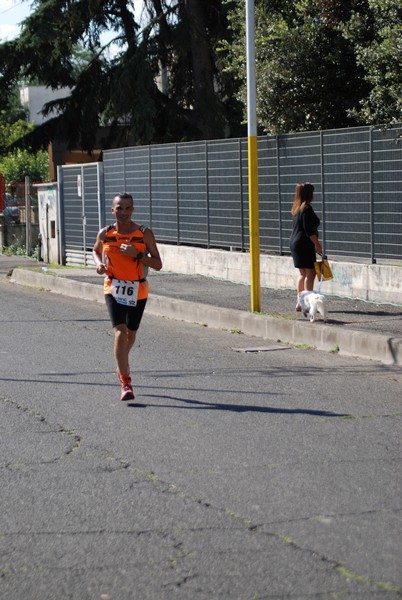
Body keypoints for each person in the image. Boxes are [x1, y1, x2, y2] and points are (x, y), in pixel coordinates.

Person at [92, 192, 162, 401]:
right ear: (112, 210)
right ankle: (126, 381)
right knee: (120, 334)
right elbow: (95, 250)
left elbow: (158, 264)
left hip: (137, 289)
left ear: (133, 210)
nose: (123, 212)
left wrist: (138, 255)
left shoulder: (144, 233)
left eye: (127, 208)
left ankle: (120, 360)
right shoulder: (105, 233)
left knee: (131, 335)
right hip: (112, 287)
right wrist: (99, 264)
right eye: (119, 208)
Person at [289, 182, 322, 311]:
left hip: (295, 243)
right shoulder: (307, 208)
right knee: (311, 273)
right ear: (309, 194)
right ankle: (308, 303)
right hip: (304, 244)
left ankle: (300, 302)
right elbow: (309, 231)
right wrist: (318, 245)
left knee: (302, 274)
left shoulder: (296, 208)